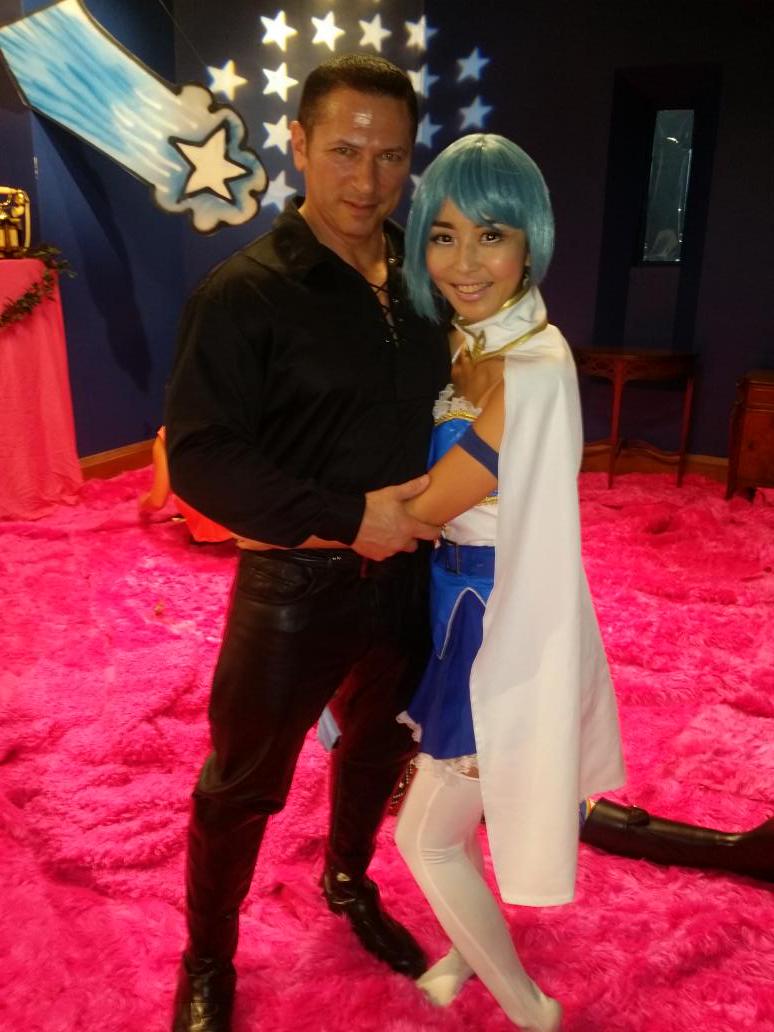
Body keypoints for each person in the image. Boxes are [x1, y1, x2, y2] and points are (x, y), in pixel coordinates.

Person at [164, 56, 449, 1032]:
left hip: (412, 580)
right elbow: (200, 458)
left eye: (391, 157)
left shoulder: (426, 278)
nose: (367, 180)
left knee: (377, 749)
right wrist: (347, 516)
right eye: (344, 151)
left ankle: (347, 879)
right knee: (240, 786)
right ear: (298, 144)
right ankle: (207, 960)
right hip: (294, 585)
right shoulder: (245, 292)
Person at [390, 134, 626, 1030]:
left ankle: (532, 1011)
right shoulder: (464, 341)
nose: (464, 262)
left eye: (491, 235)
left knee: (424, 838)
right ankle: (469, 946)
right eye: (443, 235)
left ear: (531, 242)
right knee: (460, 817)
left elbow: (429, 504)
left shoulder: (532, 368)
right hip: (455, 603)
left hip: (502, 620)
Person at [138, 427, 234, 543]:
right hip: (250, 520)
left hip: (215, 528)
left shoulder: (170, 435)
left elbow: (156, 502)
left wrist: (142, 504)